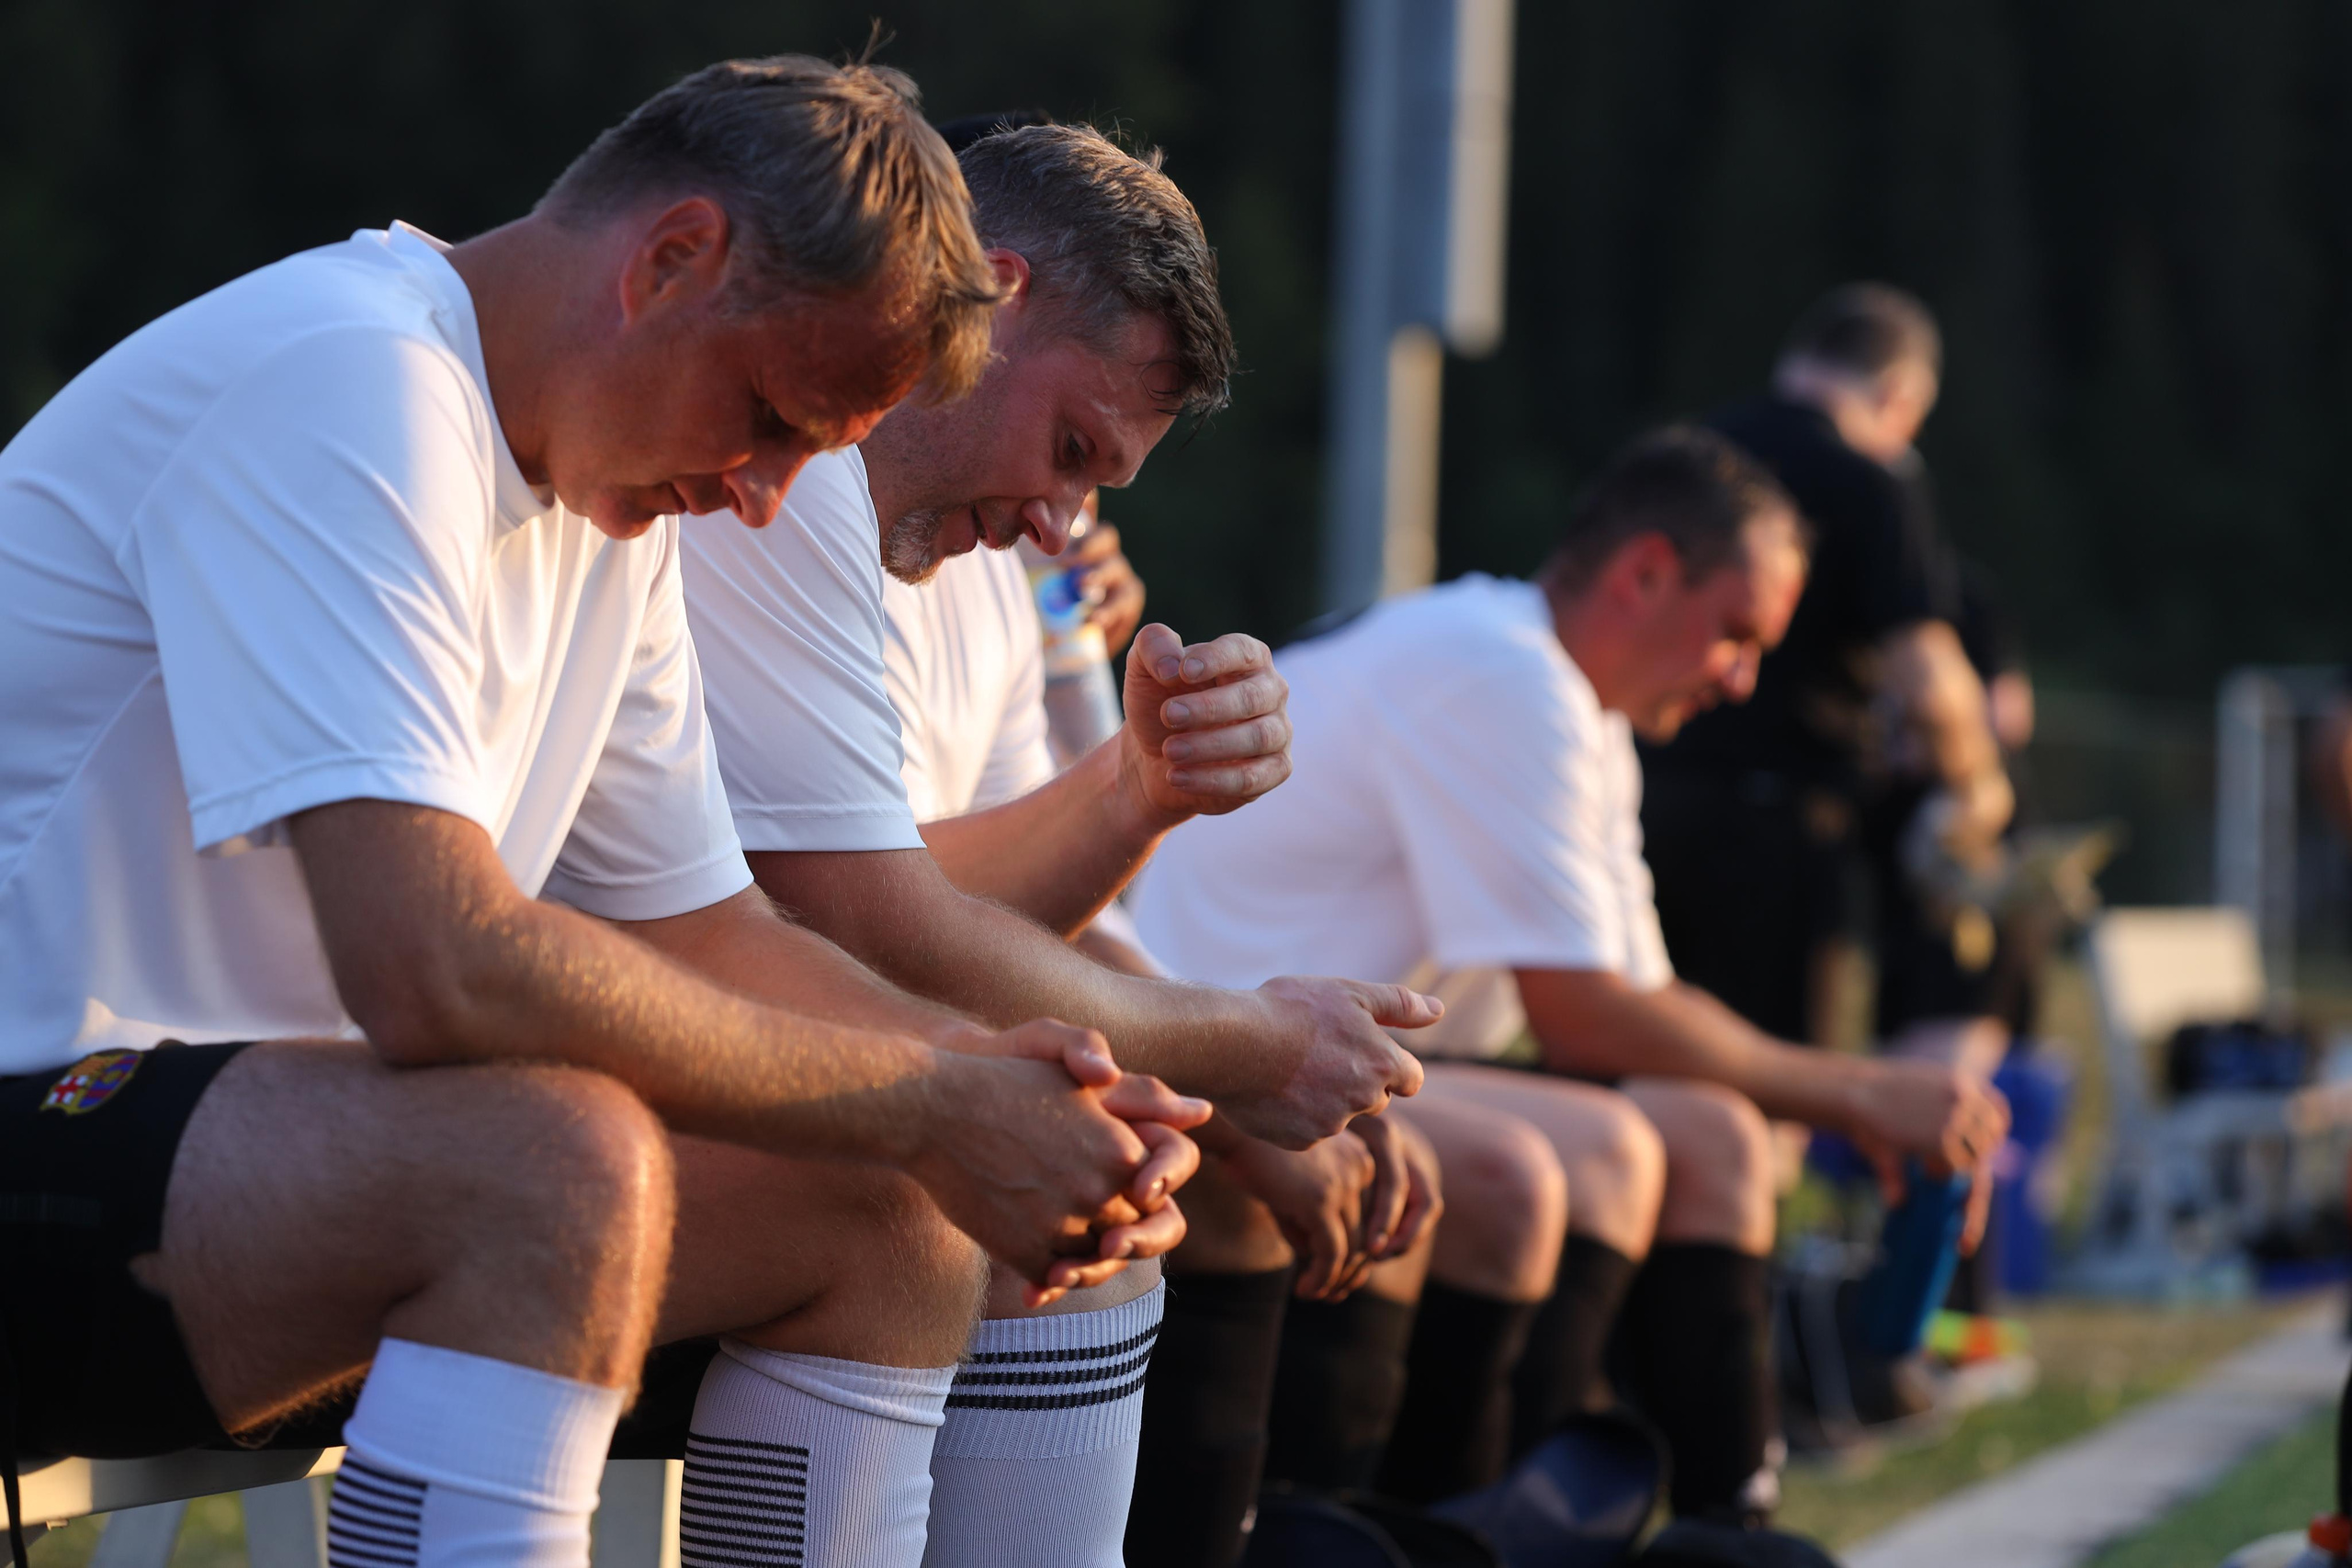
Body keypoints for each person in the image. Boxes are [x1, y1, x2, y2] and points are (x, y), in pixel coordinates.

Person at [0, 58, 1225, 1568]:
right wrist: (932, 1098)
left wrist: (996, 1089)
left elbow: (708, 927)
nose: (768, 497)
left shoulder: (606, 492)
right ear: (670, 261)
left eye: (813, 456)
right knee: (551, 1160)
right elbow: (435, 970)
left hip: (241, 1157)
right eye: (772, 417)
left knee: (897, 1209)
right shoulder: (352, 378)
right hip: (47, 1106)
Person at [674, 120, 1440, 1565]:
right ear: (998, 295)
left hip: (733, 1019)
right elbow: (854, 911)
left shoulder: (988, 546)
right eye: (1071, 447)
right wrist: (1241, 1050)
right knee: (968, 1192)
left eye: (1098, 483)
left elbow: (968, 902)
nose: (1058, 512)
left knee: (1105, 1171)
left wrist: (1139, 790)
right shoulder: (794, 474)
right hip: (467, 1068)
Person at [1134, 428, 2010, 1529]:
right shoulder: (1499, 668)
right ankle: (1486, 1530)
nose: (1741, 680)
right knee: (1583, 1157)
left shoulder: (1572, 701)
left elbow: (1638, 1003)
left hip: (1327, 1040)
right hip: (1197, 1031)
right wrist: (1860, 1093)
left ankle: (1720, 1520)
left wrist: (1848, 1092)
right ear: (1645, 572)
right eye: (1736, 636)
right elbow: (1587, 1020)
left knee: (1710, 1132)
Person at [1646, 283, 2020, 1436]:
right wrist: (1979, 792)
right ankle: (1741, 1396)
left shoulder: (1687, 454)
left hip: (1639, 806)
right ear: (1898, 398)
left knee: (1653, 1086)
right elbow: (1931, 678)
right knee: (1764, 1113)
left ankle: (1639, 1373)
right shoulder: (1873, 483)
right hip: (1779, 832)